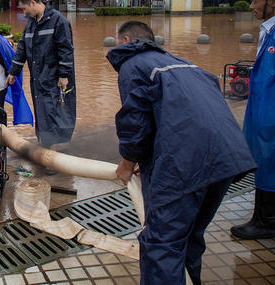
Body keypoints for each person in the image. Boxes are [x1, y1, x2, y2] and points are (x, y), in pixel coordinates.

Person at [107, 20, 255, 285]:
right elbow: (180, 113)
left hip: (185, 163)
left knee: (161, 244)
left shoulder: (132, 64)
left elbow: (135, 121)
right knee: (189, 237)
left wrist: (127, 162)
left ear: (126, 41)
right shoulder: (185, 63)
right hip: (225, 160)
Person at [231, 0, 275, 240]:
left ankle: (266, 221)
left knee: (270, 163)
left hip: (270, 116)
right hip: (263, 112)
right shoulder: (268, 31)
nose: (252, 5)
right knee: (263, 160)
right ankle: (263, 217)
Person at [6, 0, 76, 148]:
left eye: (24, 9)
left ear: (33, 3)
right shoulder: (31, 23)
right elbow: (22, 48)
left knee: (53, 112)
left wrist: (64, 76)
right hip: (38, 78)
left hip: (53, 78)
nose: (24, 12)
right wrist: (13, 72)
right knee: (42, 112)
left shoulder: (58, 21)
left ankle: (52, 154)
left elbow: (66, 50)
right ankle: (45, 146)